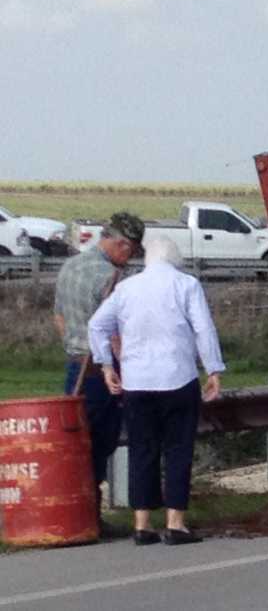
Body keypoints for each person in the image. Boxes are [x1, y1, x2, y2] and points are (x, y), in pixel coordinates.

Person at [88, 235, 224, 546]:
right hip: (178, 377)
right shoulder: (186, 284)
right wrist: (213, 368)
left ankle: (142, 524)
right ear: (175, 258)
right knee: (178, 449)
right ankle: (175, 523)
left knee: (142, 449)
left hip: (136, 382)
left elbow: (97, 325)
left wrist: (107, 366)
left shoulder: (127, 288)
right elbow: (203, 327)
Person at [52, 211, 144, 535]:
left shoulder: (69, 267)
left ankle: (75, 511)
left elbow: (59, 318)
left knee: (75, 441)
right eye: (130, 250)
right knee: (99, 443)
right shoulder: (110, 278)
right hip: (102, 372)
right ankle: (90, 518)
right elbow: (114, 333)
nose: (130, 257)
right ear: (120, 243)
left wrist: (71, 346)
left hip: (74, 366)